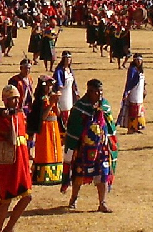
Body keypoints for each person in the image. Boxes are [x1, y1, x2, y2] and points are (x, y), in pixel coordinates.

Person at [61, 78, 117, 213]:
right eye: (96, 92)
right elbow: (73, 128)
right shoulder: (80, 107)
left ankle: (102, 202)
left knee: (103, 173)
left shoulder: (105, 105)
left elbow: (110, 125)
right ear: (89, 92)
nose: (99, 94)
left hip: (101, 148)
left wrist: (110, 140)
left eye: (101, 91)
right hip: (84, 148)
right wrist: (75, 144)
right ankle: (73, 199)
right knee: (79, 174)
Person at [0, 85, 32, 232]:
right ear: (5, 101)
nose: (15, 101)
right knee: (6, 200)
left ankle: (9, 228)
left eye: (16, 98)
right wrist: (9, 120)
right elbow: (11, 139)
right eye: (11, 99)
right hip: (8, 164)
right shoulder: (0, 119)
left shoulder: (20, 115)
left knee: (27, 197)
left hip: (21, 161)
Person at [27, 76, 63, 186]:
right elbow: (42, 116)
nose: (49, 87)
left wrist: (55, 103)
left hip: (54, 126)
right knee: (45, 150)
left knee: (55, 149)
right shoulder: (40, 99)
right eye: (47, 85)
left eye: (50, 85)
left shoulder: (51, 97)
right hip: (45, 128)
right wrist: (51, 104)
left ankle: (56, 175)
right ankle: (43, 176)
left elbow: (58, 114)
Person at [118, 53, 146, 134]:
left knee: (139, 111)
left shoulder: (140, 69)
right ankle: (131, 128)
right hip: (134, 94)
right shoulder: (132, 69)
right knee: (133, 111)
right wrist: (127, 92)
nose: (139, 61)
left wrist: (144, 89)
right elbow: (130, 82)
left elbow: (143, 81)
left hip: (139, 94)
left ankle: (137, 127)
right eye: (137, 60)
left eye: (140, 60)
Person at [53, 51, 79, 129]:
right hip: (62, 94)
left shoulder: (70, 70)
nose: (68, 60)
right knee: (64, 110)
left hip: (69, 93)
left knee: (70, 109)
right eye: (66, 58)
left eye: (69, 58)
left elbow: (74, 83)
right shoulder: (59, 70)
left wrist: (76, 93)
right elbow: (58, 83)